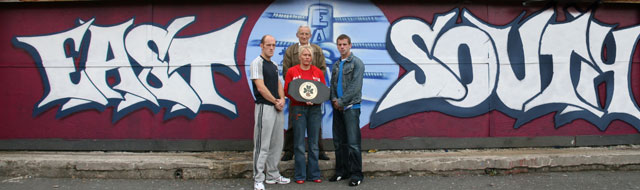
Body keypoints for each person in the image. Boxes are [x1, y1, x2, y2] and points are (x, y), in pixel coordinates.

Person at [281, 25, 330, 161]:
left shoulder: (317, 50)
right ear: (297, 35)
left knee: (315, 124)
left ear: (310, 35)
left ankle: (320, 151)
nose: (304, 36)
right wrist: (296, 89)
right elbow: (286, 71)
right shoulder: (291, 50)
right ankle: (289, 151)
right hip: (296, 95)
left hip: (314, 93)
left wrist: (315, 86)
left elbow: (322, 69)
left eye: (306, 34)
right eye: (301, 34)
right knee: (292, 122)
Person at [250, 35, 290, 190]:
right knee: (262, 144)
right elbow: (260, 87)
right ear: (261, 46)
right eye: (268, 45)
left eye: (273, 45)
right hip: (264, 107)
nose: (271, 48)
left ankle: (273, 175)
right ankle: (258, 178)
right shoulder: (256, 63)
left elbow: (279, 83)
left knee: (276, 143)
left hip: (276, 107)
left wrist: (282, 99)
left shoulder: (273, 64)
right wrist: (275, 101)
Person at [284, 45, 326, 184]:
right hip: (298, 109)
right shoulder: (292, 71)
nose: (307, 57)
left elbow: (323, 91)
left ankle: (314, 174)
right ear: (300, 56)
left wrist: (314, 100)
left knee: (314, 143)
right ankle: (300, 175)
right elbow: (287, 91)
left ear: (312, 57)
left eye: (309, 55)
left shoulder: (318, 72)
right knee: (299, 143)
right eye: (305, 55)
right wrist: (302, 99)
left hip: (314, 110)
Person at [329, 34, 365, 186]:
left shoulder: (357, 63)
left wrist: (342, 102)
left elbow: (355, 87)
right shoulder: (337, 64)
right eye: (339, 44)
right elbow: (332, 84)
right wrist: (333, 100)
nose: (342, 47)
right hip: (338, 108)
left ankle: (356, 174)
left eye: (344, 44)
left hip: (351, 108)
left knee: (353, 143)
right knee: (339, 142)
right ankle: (341, 171)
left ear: (350, 45)